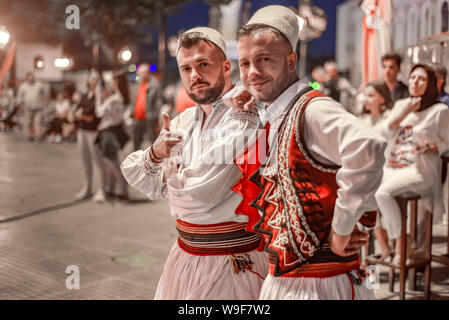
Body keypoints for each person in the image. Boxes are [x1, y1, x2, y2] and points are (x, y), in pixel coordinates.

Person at [228, 5, 387, 300]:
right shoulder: (280, 112)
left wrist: (342, 228)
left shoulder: (312, 109)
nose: (252, 72)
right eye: (245, 63)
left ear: (291, 61)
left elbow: (367, 146)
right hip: (290, 281)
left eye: (264, 59)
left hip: (322, 284)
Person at [120, 27, 268, 299]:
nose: (194, 76)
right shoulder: (183, 121)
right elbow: (134, 173)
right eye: (186, 69)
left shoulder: (247, 116)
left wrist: (168, 180)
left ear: (226, 66)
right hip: (184, 257)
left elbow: (198, 194)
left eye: (203, 65)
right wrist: (155, 153)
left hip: (233, 264)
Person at [375, 64, 449, 264]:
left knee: (382, 193)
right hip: (393, 165)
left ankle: (401, 244)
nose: (415, 82)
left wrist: (433, 147)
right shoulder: (402, 105)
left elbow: (447, 142)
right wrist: (405, 111)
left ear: (432, 84)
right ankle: (394, 244)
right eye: (413, 77)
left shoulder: (439, 110)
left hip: (419, 169)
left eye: (421, 78)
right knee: (367, 188)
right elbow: (383, 132)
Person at [95, 73, 130, 202]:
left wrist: (98, 95)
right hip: (113, 131)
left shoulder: (114, 99)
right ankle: (115, 192)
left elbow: (98, 112)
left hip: (108, 132)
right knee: (112, 163)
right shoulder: (120, 98)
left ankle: (123, 193)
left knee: (112, 164)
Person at [73, 70, 106, 201]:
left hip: (93, 132)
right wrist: (81, 116)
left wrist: (82, 116)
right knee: (86, 161)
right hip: (82, 131)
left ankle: (102, 189)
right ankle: (87, 188)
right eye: (91, 79)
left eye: (96, 79)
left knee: (98, 162)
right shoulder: (85, 95)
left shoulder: (99, 96)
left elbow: (94, 117)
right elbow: (77, 112)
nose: (93, 82)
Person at [130, 63, 163, 151]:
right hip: (137, 118)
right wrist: (131, 113)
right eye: (141, 72)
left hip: (149, 118)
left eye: (145, 72)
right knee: (136, 142)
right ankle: (136, 162)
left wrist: (155, 115)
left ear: (148, 73)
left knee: (152, 142)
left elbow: (159, 102)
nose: (143, 74)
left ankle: (153, 161)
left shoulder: (154, 85)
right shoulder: (136, 85)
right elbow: (133, 101)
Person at [17, 71, 48, 141]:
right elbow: (20, 96)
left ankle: (38, 135)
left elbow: (44, 94)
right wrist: (20, 104)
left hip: (38, 107)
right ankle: (31, 135)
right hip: (27, 107)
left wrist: (45, 103)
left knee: (38, 121)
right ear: (27, 78)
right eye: (29, 78)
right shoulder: (23, 86)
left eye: (32, 77)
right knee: (29, 122)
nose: (31, 79)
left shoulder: (39, 85)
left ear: (34, 78)